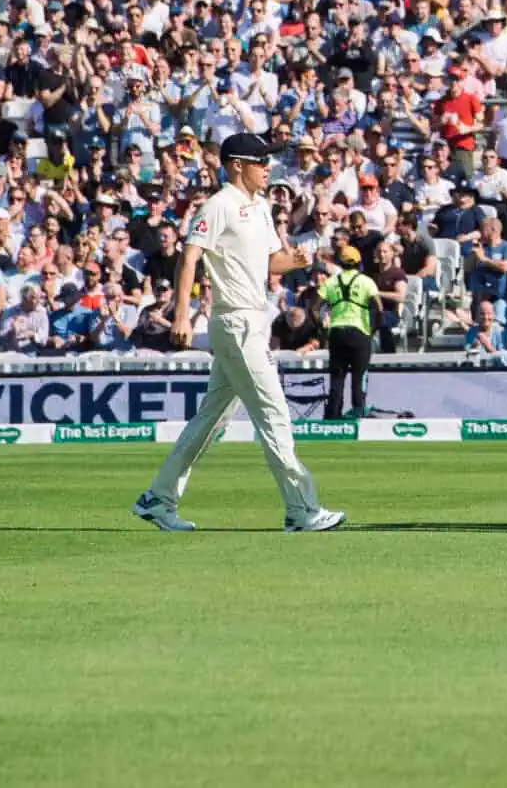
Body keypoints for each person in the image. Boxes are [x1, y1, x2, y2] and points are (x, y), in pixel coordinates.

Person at [133, 134, 343, 534]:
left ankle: (158, 498)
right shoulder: (219, 205)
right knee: (274, 413)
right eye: (260, 161)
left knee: (211, 421)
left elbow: (270, 262)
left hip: (254, 321)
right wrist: (182, 315)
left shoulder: (261, 207)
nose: (267, 168)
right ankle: (301, 510)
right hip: (234, 321)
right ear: (236, 165)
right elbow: (189, 257)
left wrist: (296, 261)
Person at [317, 244, 391, 419]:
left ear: (340, 263)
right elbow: (379, 308)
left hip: (337, 332)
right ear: (359, 263)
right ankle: (358, 415)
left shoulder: (330, 282)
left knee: (337, 378)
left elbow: (313, 308)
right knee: (359, 377)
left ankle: (334, 416)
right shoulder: (366, 281)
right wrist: (372, 330)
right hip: (359, 333)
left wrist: (323, 328)